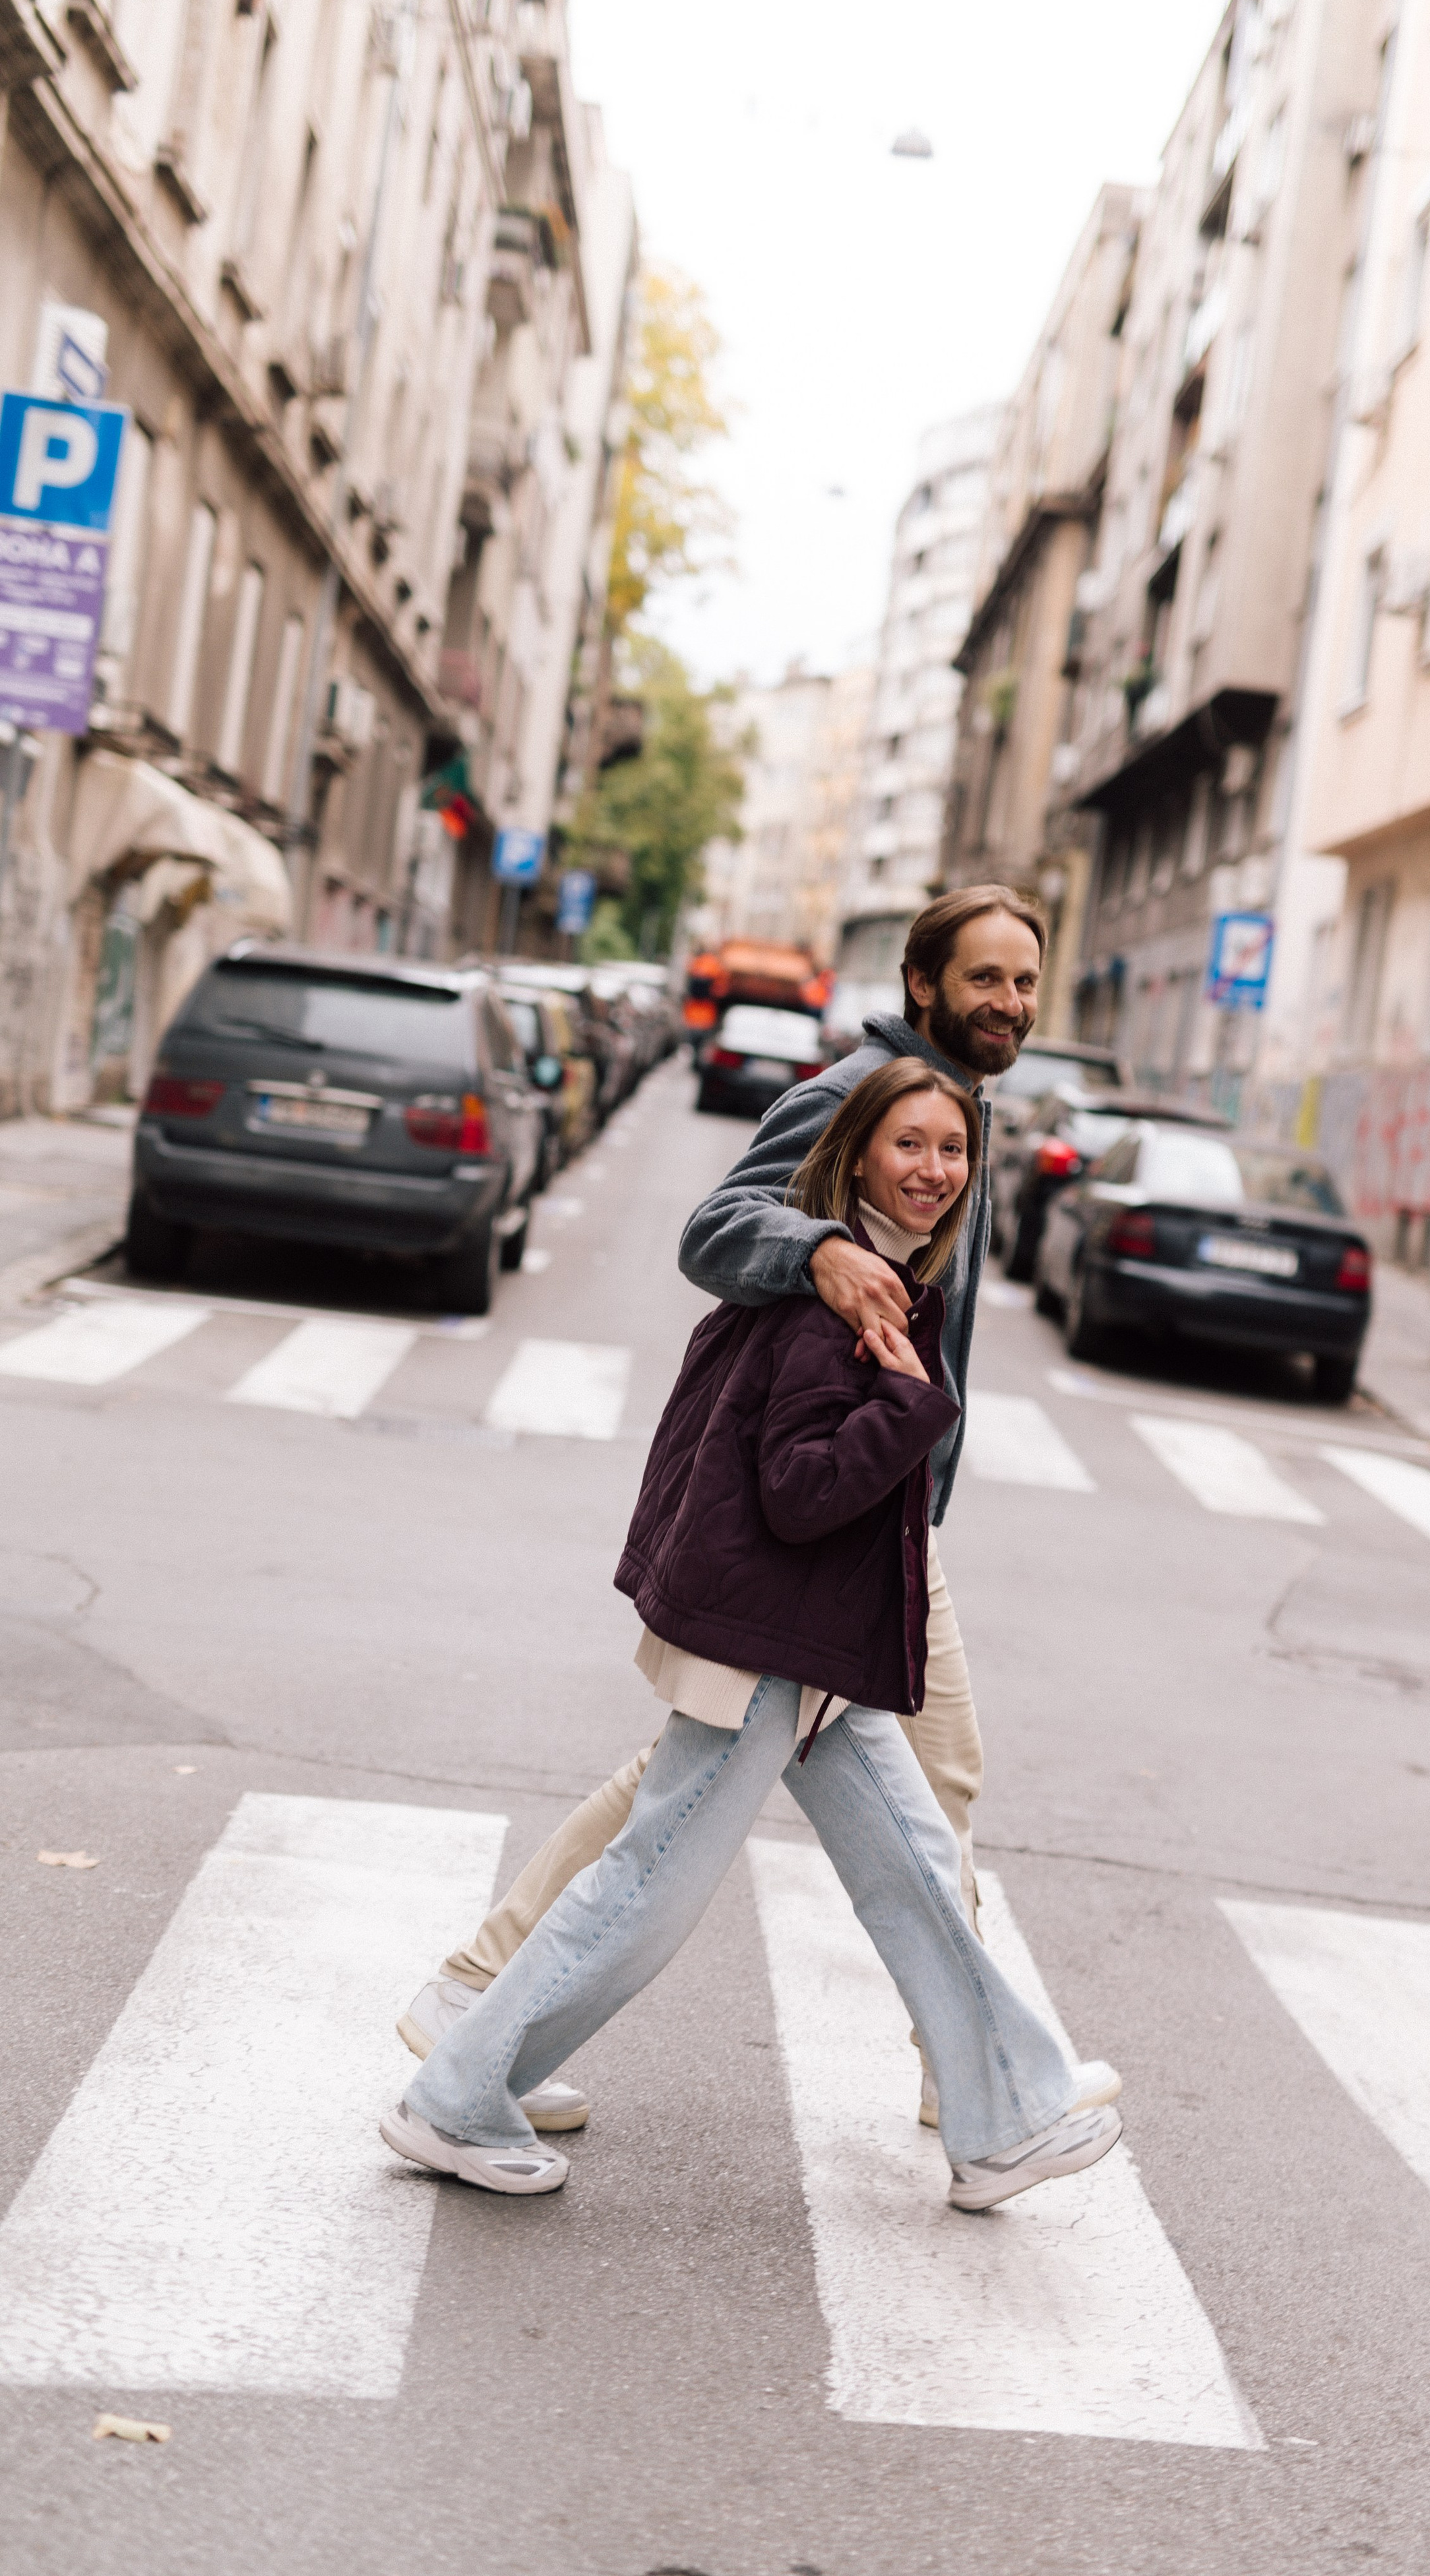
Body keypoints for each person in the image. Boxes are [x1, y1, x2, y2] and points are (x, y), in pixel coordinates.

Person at [395, 885, 1109, 2142]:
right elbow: (718, 1226)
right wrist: (821, 1247)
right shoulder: (857, 1094)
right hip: (828, 1514)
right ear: (924, 983)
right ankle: (986, 2082)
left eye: (1026, 981)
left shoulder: (963, 1114)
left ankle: (475, 1994)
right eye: (985, 978)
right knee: (881, 1783)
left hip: (881, 1516)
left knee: (705, 1777)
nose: (1010, 1002)